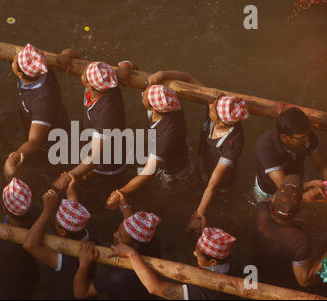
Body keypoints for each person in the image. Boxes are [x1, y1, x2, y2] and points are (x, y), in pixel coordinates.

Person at [51, 51, 131, 197]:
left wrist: (69, 175)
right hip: (94, 151)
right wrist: (68, 54)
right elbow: (85, 63)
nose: (82, 72)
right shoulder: (105, 84)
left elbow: (96, 156)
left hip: (108, 167)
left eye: (84, 74)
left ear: (89, 85)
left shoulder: (106, 114)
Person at [105, 82, 190, 209]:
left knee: (163, 196)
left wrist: (121, 192)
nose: (142, 93)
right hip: (169, 153)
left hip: (174, 172)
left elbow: (147, 172)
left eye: (145, 95)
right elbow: (152, 80)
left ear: (154, 108)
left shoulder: (166, 135)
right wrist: (130, 64)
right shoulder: (169, 103)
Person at [73, 193, 162, 300]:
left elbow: (80, 293)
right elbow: (131, 229)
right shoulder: (151, 241)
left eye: (119, 235)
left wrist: (84, 263)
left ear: (134, 246)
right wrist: (124, 205)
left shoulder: (120, 275)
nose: (114, 234)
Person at [23, 173, 98, 299]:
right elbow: (74, 213)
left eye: (56, 219)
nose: (53, 218)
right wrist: (71, 190)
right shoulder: (90, 233)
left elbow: (29, 245)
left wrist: (47, 211)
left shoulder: (67, 260)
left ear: (62, 232)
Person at [111, 227, 238, 300]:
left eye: (198, 253)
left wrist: (132, 254)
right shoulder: (234, 264)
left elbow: (155, 288)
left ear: (212, 262)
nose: (194, 253)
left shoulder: (204, 291)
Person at [4, 43, 70, 181]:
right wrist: (67, 55)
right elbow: (69, 51)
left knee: (47, 167)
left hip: (51, 142)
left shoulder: (42, 101)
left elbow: (35, 140)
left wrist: (12, 159)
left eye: (15, 60)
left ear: (19, 74)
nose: (14, 57)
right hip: (39, 123)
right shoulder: (40, 68)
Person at [252, 174, 327, 289]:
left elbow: (281, 204)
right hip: (281, 284)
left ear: (275, 195)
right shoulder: (299, 240)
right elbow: (304, 280)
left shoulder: (261, 208)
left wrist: (309, 188)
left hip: (257, 271)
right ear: (300, 205)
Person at [187, 96, 249, 234]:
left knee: (219, 205)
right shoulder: (216, 117)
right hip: (203, 169)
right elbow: (197, 88)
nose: (212, 106)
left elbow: (213, 184)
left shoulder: (233, 144)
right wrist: (162, 73)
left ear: (220, 122)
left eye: (215, 108)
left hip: (220, 184)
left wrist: (199, 213)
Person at [254, 107, 327, 202]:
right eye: (302, 138)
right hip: (271, 192)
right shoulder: (266, 147)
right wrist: (311, 185)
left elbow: (322, 165)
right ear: (285, 137)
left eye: (308, 135)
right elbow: (284, 187)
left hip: (297, 181)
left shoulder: (308, 137)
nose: (307, 140)